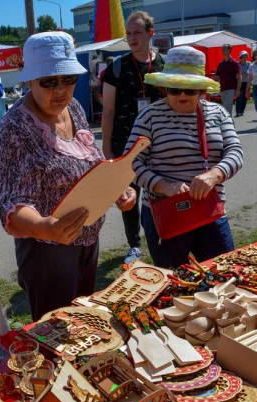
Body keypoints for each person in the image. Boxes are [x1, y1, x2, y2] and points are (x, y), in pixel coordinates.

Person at [0, 31, 136, 321]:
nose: (60, 90)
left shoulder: (73, 107)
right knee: (57, 330)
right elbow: (10, 201)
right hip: (48, 251)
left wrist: (116, 188)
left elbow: (91, 158)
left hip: (87, 240)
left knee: (82, 322)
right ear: (30, 81)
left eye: (68, 79)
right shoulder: (15, 127)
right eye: (49, 82)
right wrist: (46, 228)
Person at [125, 46, 244, 268]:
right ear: (164, 87)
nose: (181, 95)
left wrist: (214, 175)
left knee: (222, 275)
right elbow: (130, 162)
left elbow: (236, 152)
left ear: (201, 90)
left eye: (190, 90)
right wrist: (164, 186)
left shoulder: (218, 113)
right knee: (174, 282)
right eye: (174, 88)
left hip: (210, 212)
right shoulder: (150, 115)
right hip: (166, 213)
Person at [101, 11, 165, 265]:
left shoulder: (164, 64)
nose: (131, 37)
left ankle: (164, 235)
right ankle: (135, 245)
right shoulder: (116, 68)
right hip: (124, 145)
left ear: (150, 33)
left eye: (137, 32)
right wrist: (106, 149)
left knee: (160, 193)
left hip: (158, 144)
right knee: (129, 197)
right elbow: (107, 111)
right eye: (128, 33)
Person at [214, 44, 241, 115]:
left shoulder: (234, 63)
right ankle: (229, 123)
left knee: (227, 108)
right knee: (225, 108)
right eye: (222, 49)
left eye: (224, 49)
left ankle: (228, 124)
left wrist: (238, 89)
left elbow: (239, 77)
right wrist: (210, 84)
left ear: (230, 50)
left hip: (231, 89)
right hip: (222, 89)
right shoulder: (220, 64)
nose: (222, 51)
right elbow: (217, 77)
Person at [236, 50, 251, 117]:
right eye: (244, 57)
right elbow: (238, 74)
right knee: (238, 97)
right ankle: (238, 111)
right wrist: (243, 74)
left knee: (245, 97)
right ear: (241, 57)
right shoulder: (237, 64)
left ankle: (242, 111)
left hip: (246, 83)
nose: (245, 58)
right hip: (239, 82)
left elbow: (248, 73)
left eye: (246, 56)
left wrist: (242, 74)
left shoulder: (249, 64)